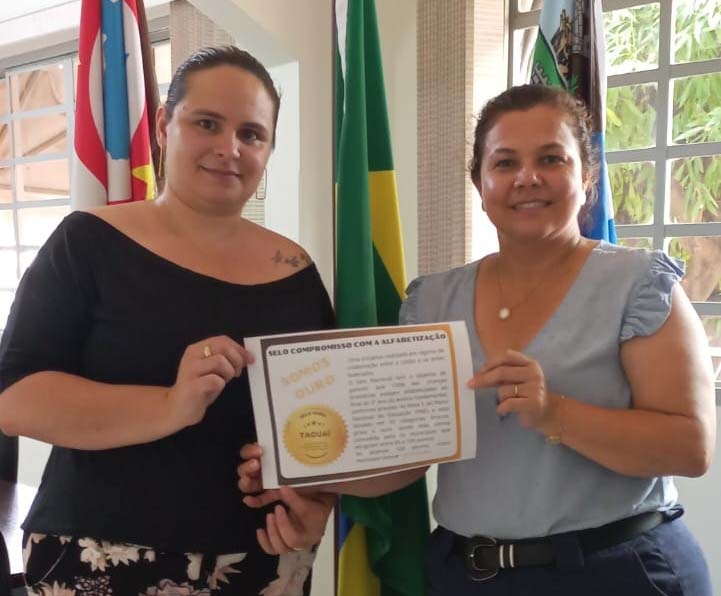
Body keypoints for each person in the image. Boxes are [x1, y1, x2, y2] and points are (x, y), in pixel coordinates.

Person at [240, 84, 717, 595]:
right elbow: (407, 458)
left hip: (614, 574)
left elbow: (690, 448)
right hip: (465, 575)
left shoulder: (638, 284)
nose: (527, 177)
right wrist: (298, 466)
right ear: (480, 182)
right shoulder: (433, 301)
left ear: (586, 176)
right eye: (505, 162)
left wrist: (554, 413)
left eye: (551, 158)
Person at [0, 45, 335, 596]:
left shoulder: (295, 271)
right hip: (98, 556)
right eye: (207, 123)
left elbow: (322, 420)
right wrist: (169, 405)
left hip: (261, 561)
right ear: (163, 125)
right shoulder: (87, 243)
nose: (229, 148)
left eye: (252, 134)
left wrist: (315, 503)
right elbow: (15, 398)